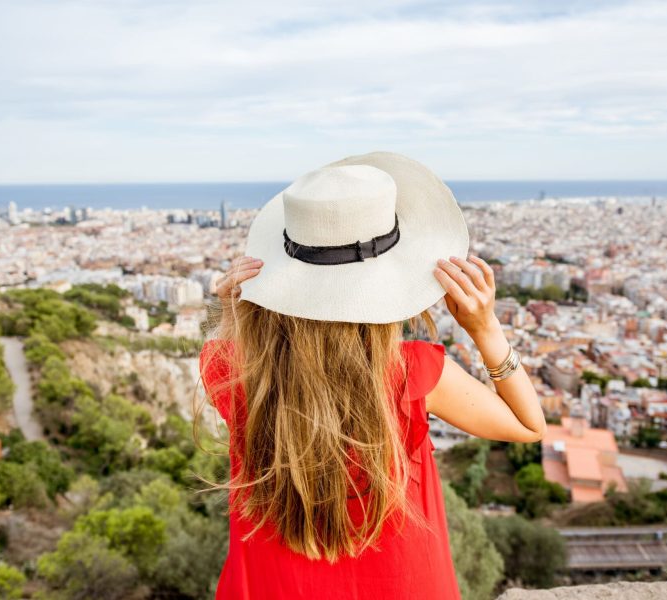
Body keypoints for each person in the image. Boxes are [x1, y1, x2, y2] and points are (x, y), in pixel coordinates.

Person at [198, 151, 547, 599]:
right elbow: (528, 425)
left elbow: (220, 341)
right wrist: (485, 328)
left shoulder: (233, 373)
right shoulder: (415, 372)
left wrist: (230, 310)